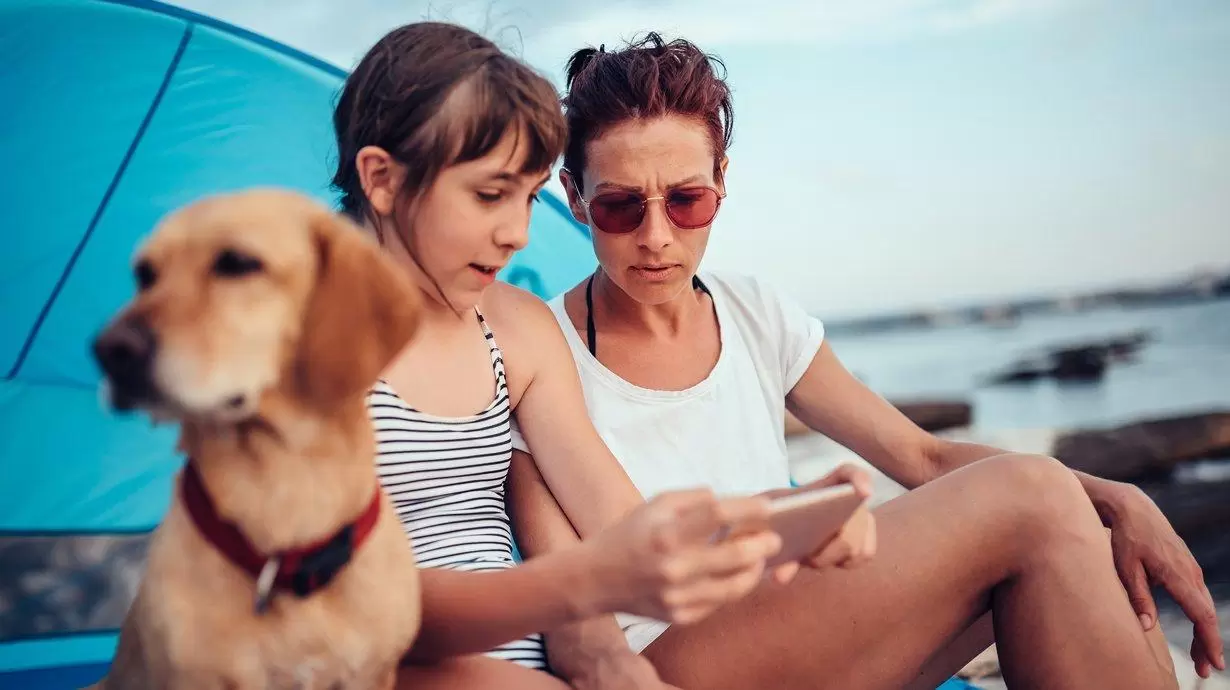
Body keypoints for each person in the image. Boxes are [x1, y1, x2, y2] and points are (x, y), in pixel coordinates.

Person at [506, 34, 1225, 689]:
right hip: (670, 661)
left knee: (1070, 536)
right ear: (574, 198)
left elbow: (921, 455)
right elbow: (566, 598)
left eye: (687, 200)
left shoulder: (755, 312)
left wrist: (1117, 498)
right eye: (621, 208)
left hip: (799, 628)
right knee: (1035, 499)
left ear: (721, 181)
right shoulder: (542, 347)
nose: (657, 236)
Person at [328, 23, 809, 689]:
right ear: (381, 180)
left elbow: (625, 527)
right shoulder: (301, 343)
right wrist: (575, 585)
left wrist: (785, 538)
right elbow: (338, 607)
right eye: (491, 195)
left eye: (528, 198)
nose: (519, 235)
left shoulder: (517, 331)